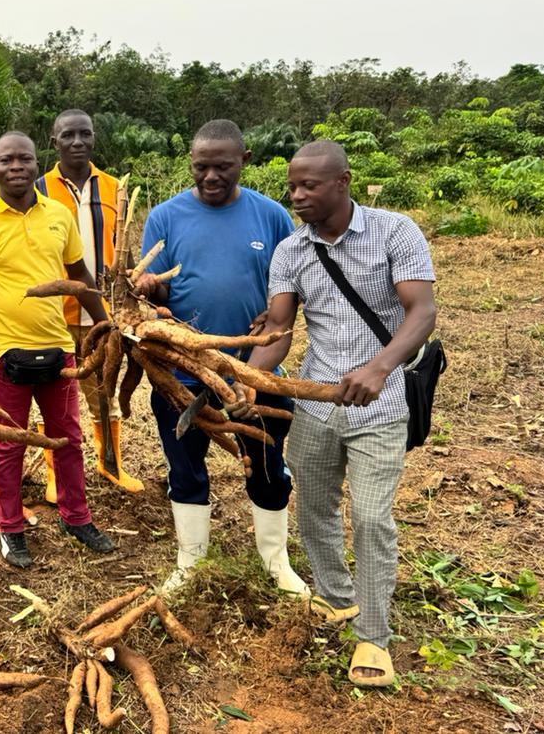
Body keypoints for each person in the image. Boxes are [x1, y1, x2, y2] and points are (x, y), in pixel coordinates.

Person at [246, 140, 437, 687]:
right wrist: (250, 381)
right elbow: (278, 332)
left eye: (309, 185)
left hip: (382, 403)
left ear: (343, 182)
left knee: (373, 518)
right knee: (313, 508)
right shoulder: (290, 250)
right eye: (292, 185)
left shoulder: (395, 231)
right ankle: (334, 597)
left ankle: (374, 636)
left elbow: (421, 312)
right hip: (316, 403)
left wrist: (379, 368)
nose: (297, 195)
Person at [133, 119, 308, 596]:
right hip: (182, 371)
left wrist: (260, 363)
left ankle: (275, 560)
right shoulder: (165, 217)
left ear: (244, 162)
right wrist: (149, 289)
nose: (211, 177)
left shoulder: (271, 216)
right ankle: (190, 562)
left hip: (255, 366)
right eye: (201, 167)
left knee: (268, 458)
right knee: (184, 463)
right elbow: (156, 292)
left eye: (223, 167)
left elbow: (288, 294)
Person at [0, 130, 115, 568]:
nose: (16, 167)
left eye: (24, 160)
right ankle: (11, 528)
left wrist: (108, 322)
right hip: (3, 354)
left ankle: (77, 517)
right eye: (6, 161)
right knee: (8, 444)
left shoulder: (58, 216)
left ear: (37, 165)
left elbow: (79, 278)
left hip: (59, 349)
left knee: (67, 439)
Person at [34, 109, 143, 500]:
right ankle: (55, 476)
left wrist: (131, 294)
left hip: (103, 312)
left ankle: (109, 463)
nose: (77, 142)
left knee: (104, 394)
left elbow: (125, 246)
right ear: (54, 140)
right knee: (55, 401)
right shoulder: (38, 190)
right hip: (53, 314)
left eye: (85, 134)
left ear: (94, 138)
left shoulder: (115, 188)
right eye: (68, 135)